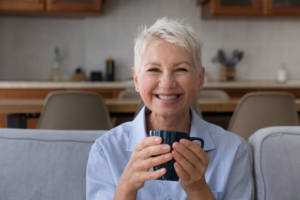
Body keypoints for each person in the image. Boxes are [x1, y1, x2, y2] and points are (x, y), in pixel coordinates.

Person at [86, 18, 253, 200]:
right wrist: (126, 186)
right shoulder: (106, 150)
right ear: (136, 80)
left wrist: (198, 189)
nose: (167, 83)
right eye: (153, 70)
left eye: (181, 69)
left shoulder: (234, 151)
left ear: (200, 79)